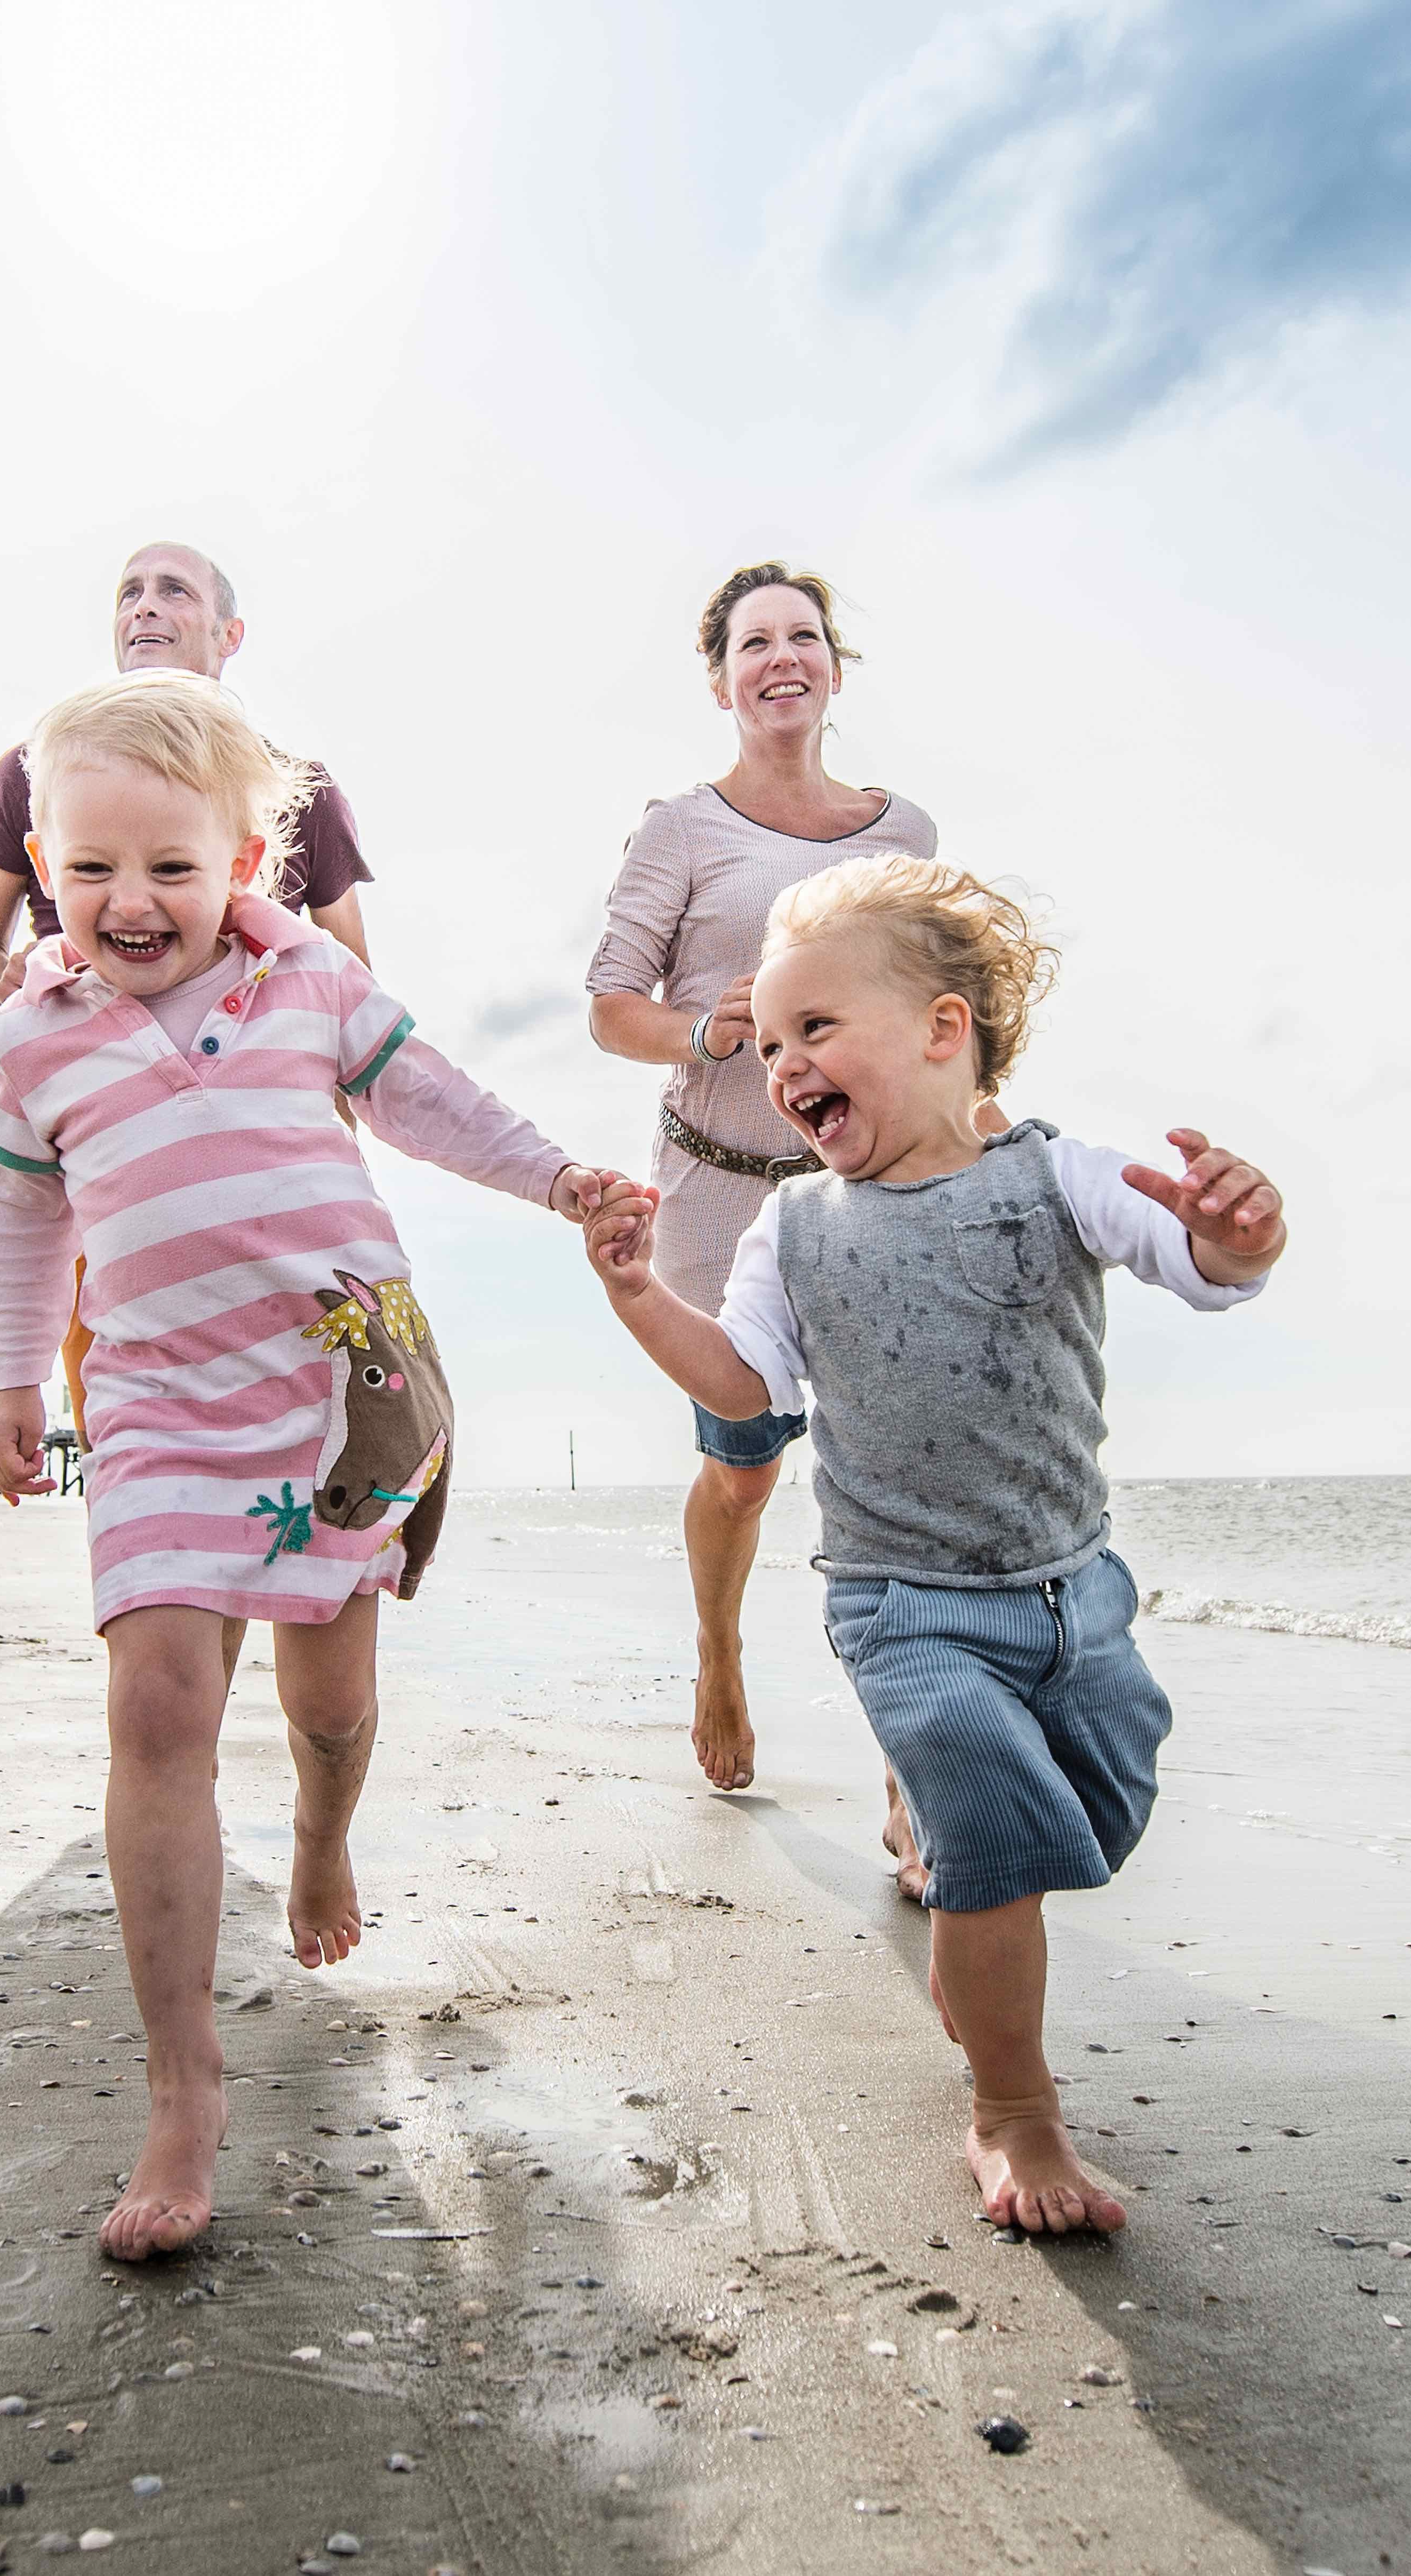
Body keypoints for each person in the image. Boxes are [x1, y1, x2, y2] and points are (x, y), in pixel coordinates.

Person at [0, 670, 622, 2262]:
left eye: (174, 869)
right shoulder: (31, 1038)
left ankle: (327, 1833)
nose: (132, 901)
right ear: (44, 858)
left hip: (343, 1386)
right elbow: (22, 1216)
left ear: (251, 857)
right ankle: (184, 2087)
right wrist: (9, 1379)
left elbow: (437, 1104)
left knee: (327, 1704)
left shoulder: (315, 983)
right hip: (159, 1399)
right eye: (92, 868)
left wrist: (565, 1179)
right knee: (159, 1708)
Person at [574, 854, 1288, 2235]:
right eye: (770, 1042)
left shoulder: (1059, 1173)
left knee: (1092, 1806)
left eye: (814, 1028)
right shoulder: (791, 1229)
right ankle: (1011, 2112)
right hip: (901, 1605)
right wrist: (634, 1300)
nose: (783, 1063)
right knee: (992, 1849)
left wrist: (1240, 1234)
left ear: (942, 1030)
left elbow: (1202, 1267)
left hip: (1070, 1593)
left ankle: (978, 1919)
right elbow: (747, 1392)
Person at [585, 562, 945, 1807]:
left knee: (890, 1472)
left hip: (867, 1195)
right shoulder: (682, 828)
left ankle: (914, 1763)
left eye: (803, 637)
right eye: (754, 642)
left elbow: (938, 1017)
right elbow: (610, 1013)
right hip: (718, 1196)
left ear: (836, 669)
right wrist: (705, 1033)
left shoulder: (907, 837)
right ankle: (720, 1658)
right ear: (723, 678)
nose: (780, 657)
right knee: (744, 1469)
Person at [0, 541, 374, 1011]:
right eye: (129, 594)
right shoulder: (33, 771)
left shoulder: (301, 788)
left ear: (229, 635)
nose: (144, 606)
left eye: (174, 591)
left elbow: (353, 989)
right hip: (81, 1076)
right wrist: (14, 1009)